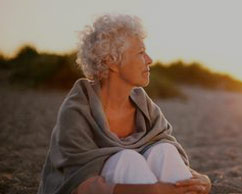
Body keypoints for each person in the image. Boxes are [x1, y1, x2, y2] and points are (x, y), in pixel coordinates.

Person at [38, 14, 211, 194]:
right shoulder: (77, 111)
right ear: (111, 61)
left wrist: (200, 180)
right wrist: (152, 191)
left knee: (164, 150)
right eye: (140, 52)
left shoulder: (144, 106)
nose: (149, 59)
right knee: (127, 159)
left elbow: (169, 157)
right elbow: (81, 184)